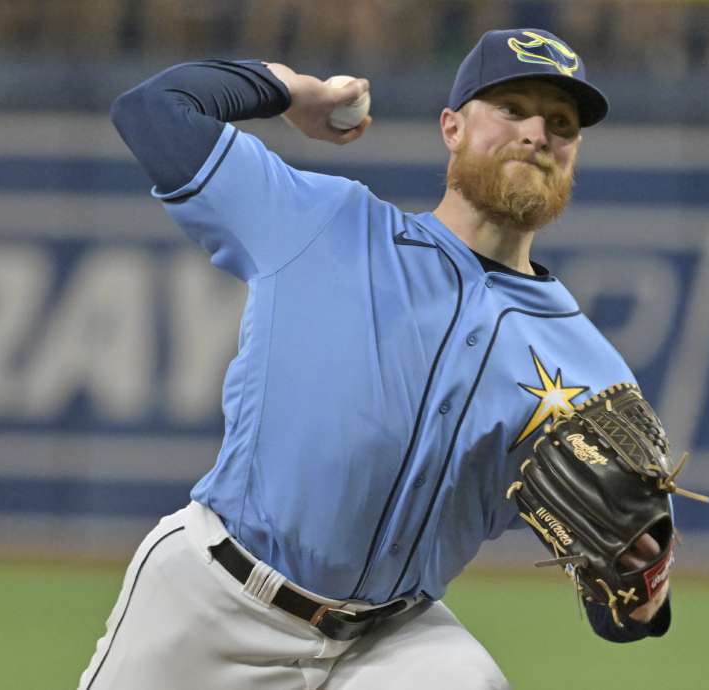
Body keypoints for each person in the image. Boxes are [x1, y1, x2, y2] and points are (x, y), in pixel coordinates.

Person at [81, 28, 673, 690]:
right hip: (212, 600)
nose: (537, 133)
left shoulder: (591, 368)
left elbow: (621, 599)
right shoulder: (323, 223)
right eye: (512, 109)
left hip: (390, 643)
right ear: (451, 127)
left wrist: (638, 594)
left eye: (561, 124)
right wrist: (290, 90)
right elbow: (153, 111)